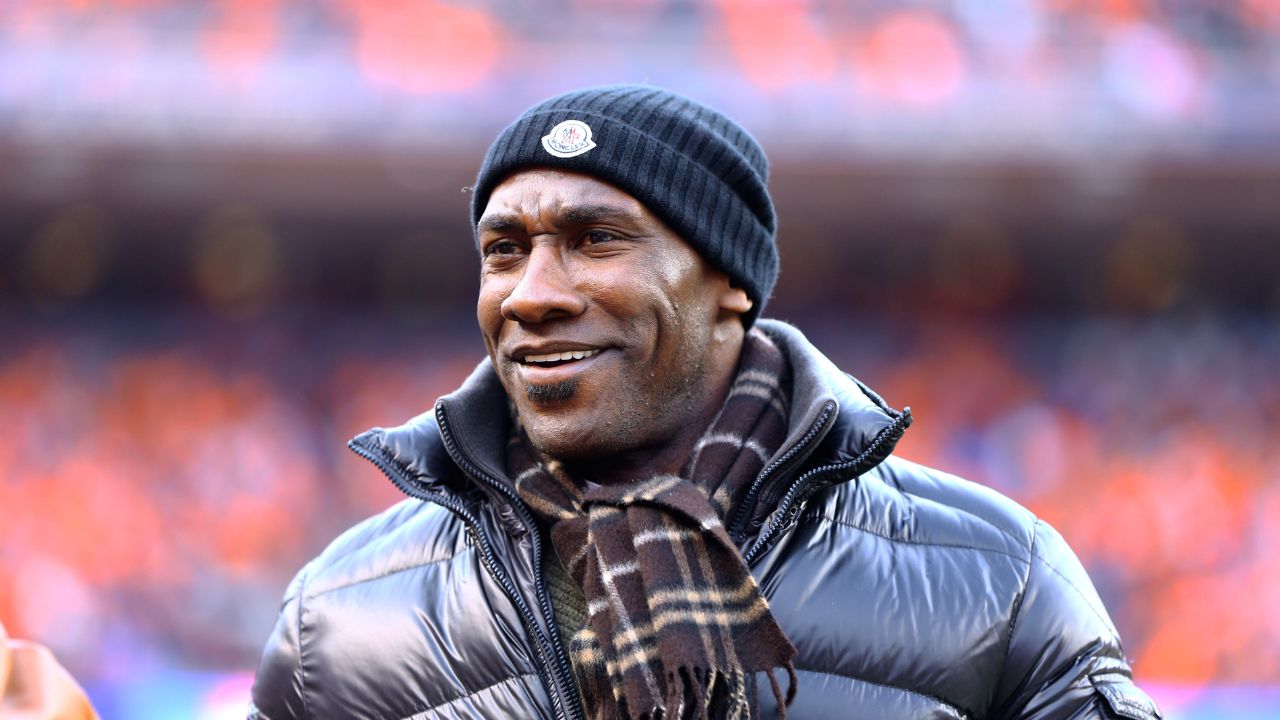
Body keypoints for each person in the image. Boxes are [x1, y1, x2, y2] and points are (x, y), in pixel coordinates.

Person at [248, 86, 1162, 720]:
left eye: (595, 240)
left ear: (728, 280)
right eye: (503, 250)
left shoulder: (993, 578)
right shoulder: (338, 616)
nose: (531, 292)